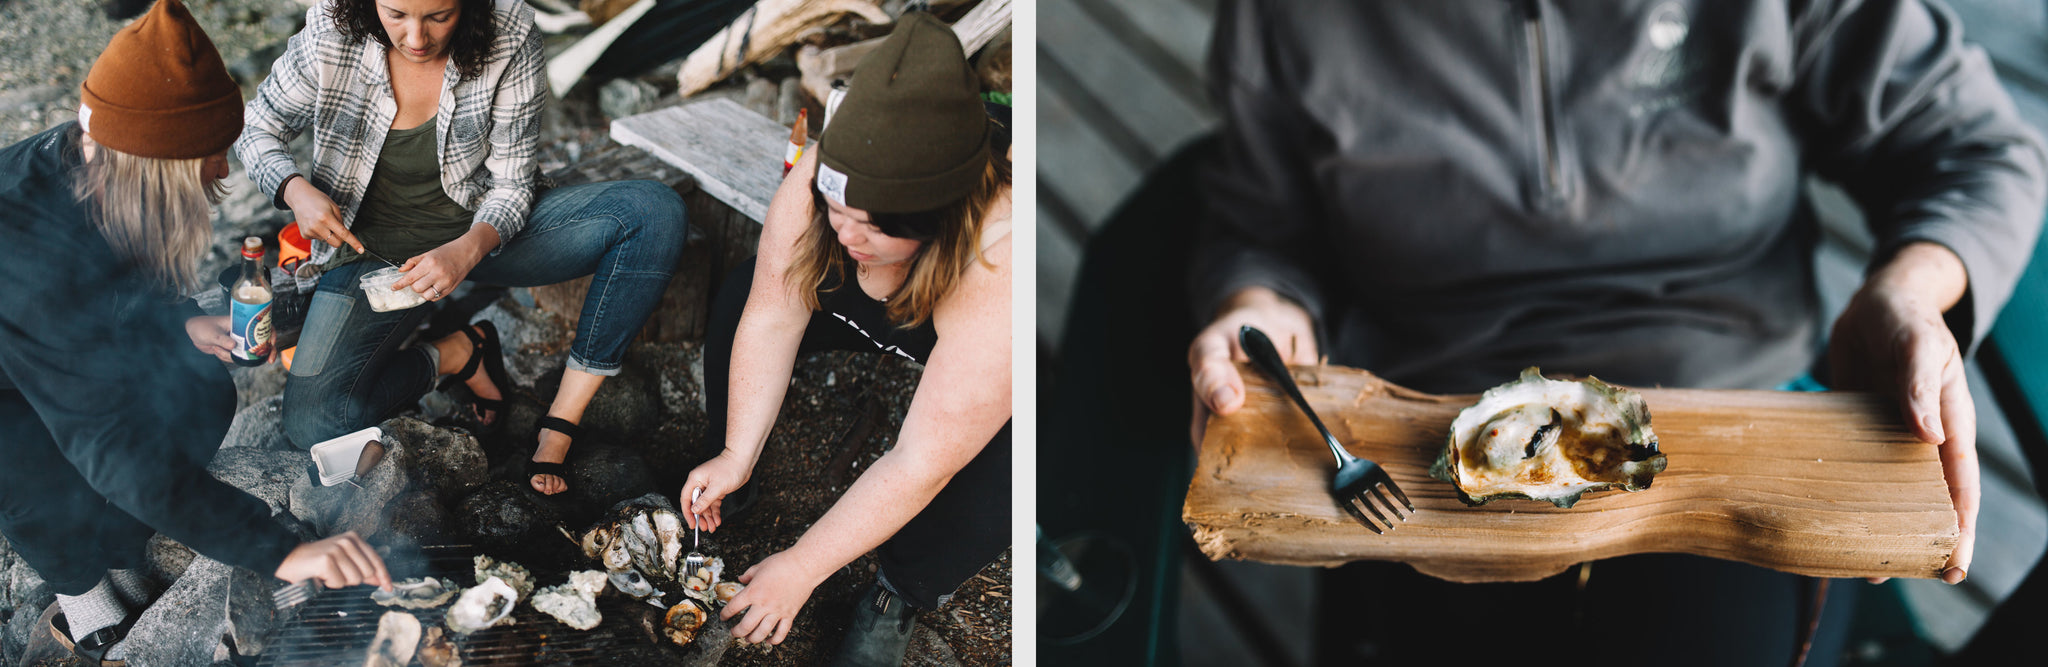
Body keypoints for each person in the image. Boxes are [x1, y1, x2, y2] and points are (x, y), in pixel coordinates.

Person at [1175, 0, 2046, 664]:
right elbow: (1263, 222)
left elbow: (1974, 145)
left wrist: (1912, 290)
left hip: (1748, 414)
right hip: (1415, 443)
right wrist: (1260, 301)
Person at [0, 2, 394, 664]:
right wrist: (285, 549)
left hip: (56, 338)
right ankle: (79, 586)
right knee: (34, 465)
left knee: (202, 390)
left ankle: (123, 542)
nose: (222, 173)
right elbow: (108, 439)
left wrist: (177, 320)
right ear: (155, 166)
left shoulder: (103, 169)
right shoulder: (21, 248)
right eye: (211, 158)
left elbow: (107, 287)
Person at [237, 0, 687, 496]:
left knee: (653, 212)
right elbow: (256, 126)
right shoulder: (332, 25)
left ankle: (561, 422)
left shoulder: (508, 29)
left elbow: (514, 185)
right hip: (372, 257)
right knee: (312, 422)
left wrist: (467, 249)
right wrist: (295, 190)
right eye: (395, 13)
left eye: (439, 16)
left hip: (487, 233)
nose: (415, 39)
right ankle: (458, 354)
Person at [677, 12, 1012, 666]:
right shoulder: (823, 180)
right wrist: (737, 451)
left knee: (1009, 454)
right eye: (837, 210)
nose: (847, 233)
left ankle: (902, 590)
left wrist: (802, 565)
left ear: (939, 217)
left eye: (873, 226)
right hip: (875, 290)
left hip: (967, 327)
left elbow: (920, 459)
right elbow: (774, 313)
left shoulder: (1001, 257)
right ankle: (733, 478)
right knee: (746, 289)